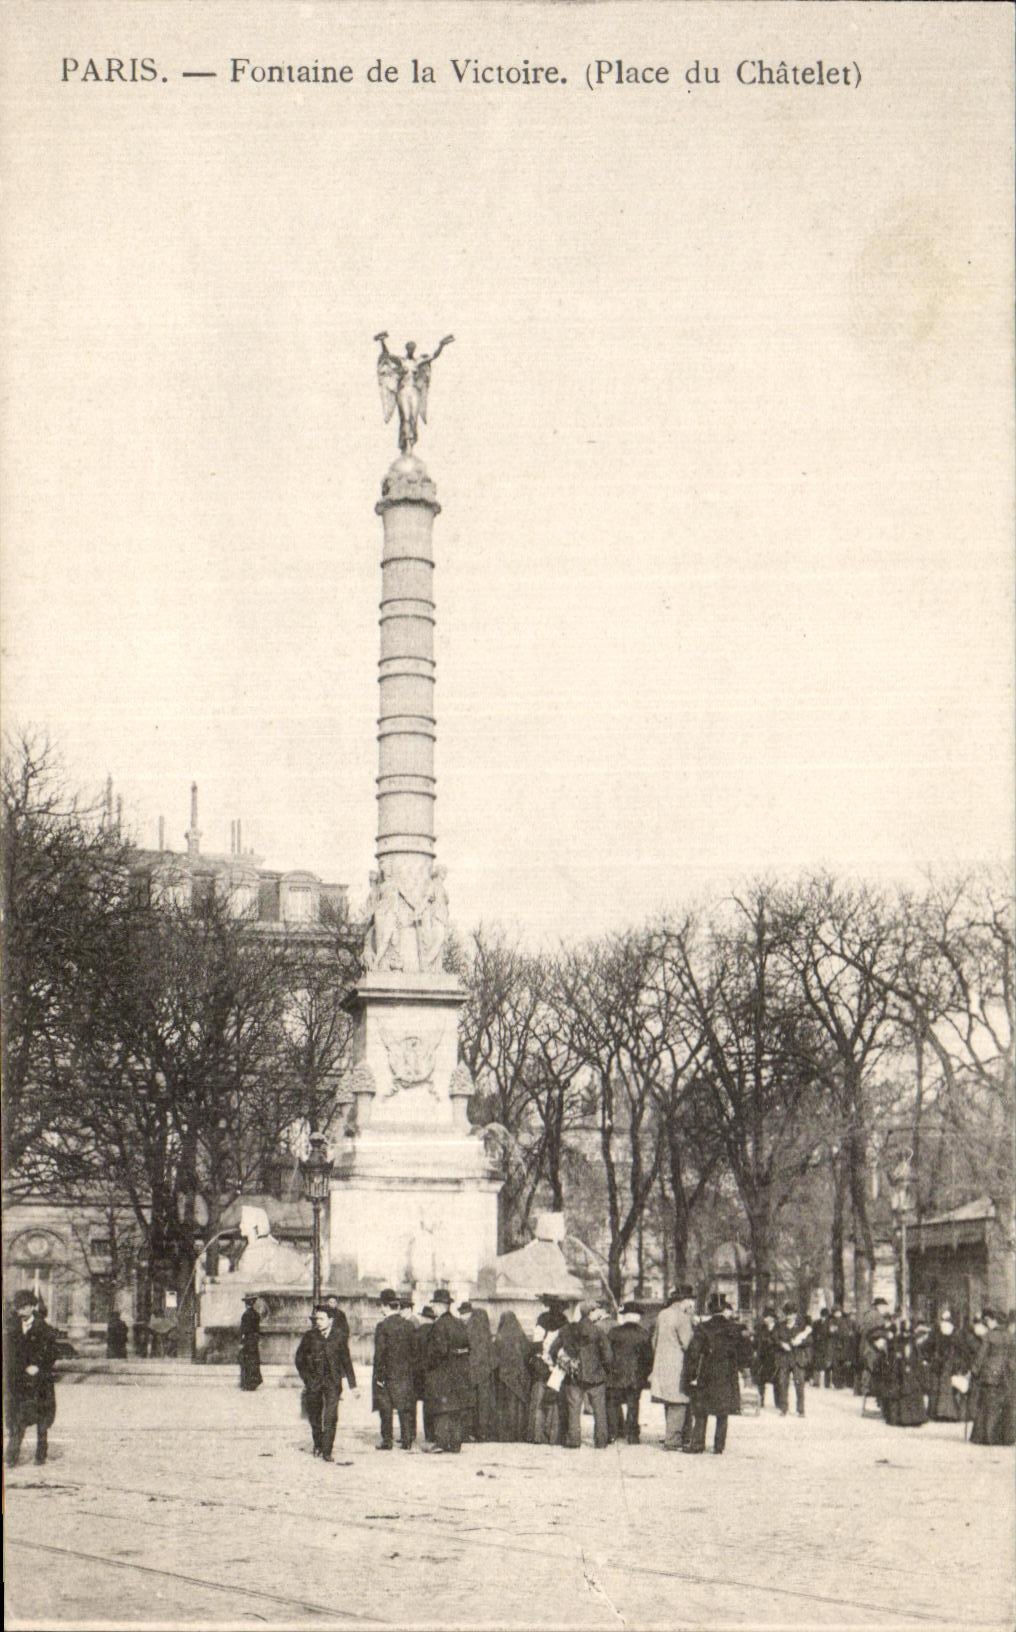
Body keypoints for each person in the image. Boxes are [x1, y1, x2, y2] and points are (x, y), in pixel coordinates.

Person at [682, 1294, 752, 1455]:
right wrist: (743, 1369)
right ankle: (719, 1446)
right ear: (724, 1310)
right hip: (728, 1372)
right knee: (723, 1411)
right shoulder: (735, 1328)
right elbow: (745, 1352)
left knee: (701, 1410)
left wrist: (691, 1374)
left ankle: (698, 1444)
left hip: (708, 1371)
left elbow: (694, 1353)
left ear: (710, 1310)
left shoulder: (703, 1328)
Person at [294, 1304, 357, 1461]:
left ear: (331, 1320)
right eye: (317, 1319)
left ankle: (327, 1450)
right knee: (315, 1416)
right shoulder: (309, 1336)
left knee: (331, 1416)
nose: (318, 1321)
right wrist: (307, 1378)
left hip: (333, 1382)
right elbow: (299, 1359)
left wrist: (353, 1385)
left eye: (322, 1319)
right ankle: (318, 1444)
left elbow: (346, 1361)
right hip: (314, 1382)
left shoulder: (339, 1337)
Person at [550, 1300, 612, 1449]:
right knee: (599, 1410)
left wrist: (562, 1364)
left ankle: (574, 1440)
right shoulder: (598, 1331)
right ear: (590, 1312)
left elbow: (553, 1350)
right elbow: (608, 1356)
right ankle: (601, 1441)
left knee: (574, 1409)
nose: (599, 1313)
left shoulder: (566, 1330)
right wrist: (604, 1369)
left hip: (574, 1376)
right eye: (597, 1310)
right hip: (596, 1377)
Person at [5, 1292, 59, 1467]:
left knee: (42, 1421)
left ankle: (40, 1455)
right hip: (19, 1382)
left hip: (40, 1382)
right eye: (18, 1308)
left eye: (24, 1307)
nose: (21, 1311)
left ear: (31, 1307)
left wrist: (39, 1367)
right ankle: (11, 1457)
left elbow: (53, 1353)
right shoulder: (12, 1329)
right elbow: (9, 1355)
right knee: (17, 1420)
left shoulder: (45, 1329)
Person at [422, 1289, 471, 1453]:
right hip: (459, 1373)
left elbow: (439, 1351)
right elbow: (468, 1347)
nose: (433, 1308)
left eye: (434, 1305)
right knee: (456, 1408)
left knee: (441, 1408)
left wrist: (429, 1365)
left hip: (442, 1373)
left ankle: (441, 1443)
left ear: (440, 1305)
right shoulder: (459, 1323)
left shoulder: (439, 1325)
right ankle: (455, 1444)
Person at [649, 1285, 696, 1450]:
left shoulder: (662, 1314)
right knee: (679, 1402)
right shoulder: (682, 1317)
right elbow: (688, 1343)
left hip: (662, 1365)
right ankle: (673, 1439)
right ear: (686, 1301)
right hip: (678, 1365)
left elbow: (654, 1340)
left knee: (668, 1401)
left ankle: (676, 1435)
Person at [372, 1289, 417, 1450]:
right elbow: (415, 1351)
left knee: (386, 1408)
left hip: (387, 1373)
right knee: (405, 1407)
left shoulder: (382, 1327)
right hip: (405, 1373)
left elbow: (380, 1354)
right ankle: (407, 1439)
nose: (380, 1309)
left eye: (381, 1306)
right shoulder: (409, 1325)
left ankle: (387, 1440)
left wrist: (379, 1375)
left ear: (385, 1306)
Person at [607, 1303, 653, 1445]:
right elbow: (649, 1358)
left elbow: (607, 1355)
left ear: (625, 1316)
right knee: (633, 1405)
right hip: (635, 1376)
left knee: (613, 1404)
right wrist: (644, 1374)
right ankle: (633, 1436)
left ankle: (613, 1433)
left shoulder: (613, 1332)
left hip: (615, 1375)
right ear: (637, 1317)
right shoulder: (644, 1334)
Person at [970, 1308, 1016, 1446]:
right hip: (1006, 1375)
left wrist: (974, 1371)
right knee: (1004, 1405)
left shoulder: (989, 1336)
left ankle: (986, 1437)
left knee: (987, 1404)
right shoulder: (1010, 1336)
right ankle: (1004, 1438)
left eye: (988, 1321)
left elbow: (981, 1356)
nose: (987, 1323)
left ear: (994, 1321)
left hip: (989, 1374)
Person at [458, 1300, 496, 1442]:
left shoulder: (471, 1330)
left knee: (472, 1402)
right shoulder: (485, 1333)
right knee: (483, 1402)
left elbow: (472, 1351)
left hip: (474, 1370)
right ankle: (483, 1432)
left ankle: (471, 1431)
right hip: (484, 1371)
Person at [528, 1306, 566, 1445]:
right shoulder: (564, 1325)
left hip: (540, 1369)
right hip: (556, 1369)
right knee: (554, 1402)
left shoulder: (541, 1323)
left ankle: (536, 1435)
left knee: (538, 1402)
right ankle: (553, 1436)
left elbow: (534, 1348)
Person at [492, 1310, 532, 1441]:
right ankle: (519, 1433)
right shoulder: (520, 1335)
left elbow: (495, 1355)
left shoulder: (500, 1337)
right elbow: (527, 1351)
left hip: (504, 1376)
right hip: (519, 1374)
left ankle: (505, 1434)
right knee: (518, 1404)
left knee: (504, 1405)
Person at [922, 1307, 965, 1422]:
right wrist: (928, 1358)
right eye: (943, 1322)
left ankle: (946, 1413)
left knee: (946, 1389)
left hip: (949, 1366)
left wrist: (959, 1364)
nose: (945, 1325)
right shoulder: (935, 1334)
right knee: (936, 1388)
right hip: (938, 1365)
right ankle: (937, 1413)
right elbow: (925, 1347)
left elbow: (962, 1352)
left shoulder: (956, 1336)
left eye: (947, 1322)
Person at [883, 1322, 927, 1427]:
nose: (907, 1335)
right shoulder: (897, 1344)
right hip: (899, 1374)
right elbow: (893, 1361)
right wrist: (902, 1365)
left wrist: (912, 1367)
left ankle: (914, 1418)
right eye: (905, 1332)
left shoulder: (914, 1345)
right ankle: (901, 1418)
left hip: (912, 1374)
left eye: (909, 1333)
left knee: (913, 1388)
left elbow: (918, 1360)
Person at [774, 1304, 813, 1417]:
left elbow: (810, 1340)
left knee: (799, 1384)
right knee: (782, 1383)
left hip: (797, 1359)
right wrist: (782, 1344)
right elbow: (774, 1338)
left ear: (795, 1314)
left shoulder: (802, 1327)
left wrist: (799, 1342)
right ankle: (783, 1408)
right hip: (784, 1359)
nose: (789, 1317)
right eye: (787, 1314)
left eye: (791, 1314)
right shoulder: (780, 1326)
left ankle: (800, 1410)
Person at [414, 1305, 438, 1445]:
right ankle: (433, 1434)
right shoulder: (437, 1331)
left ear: (423, 1318)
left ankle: (421, 1434)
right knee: (434, 1404)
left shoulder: (417, 1332)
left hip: (419, 1373)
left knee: (422, 1404)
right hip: (434, 1372)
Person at [753, 1309, 779, 1409]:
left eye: (767, 1317)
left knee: (777, 1381)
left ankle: (778, 1403)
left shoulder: (778, 1328)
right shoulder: (760, 1328)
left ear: (772, 1318)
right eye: (764, 1317)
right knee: (760, 1380)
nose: (765, 1319)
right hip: (763, 1359)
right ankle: (761, 1401)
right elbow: (756, 1342)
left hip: (775, 1358)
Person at [239, 1294, 263, 1392]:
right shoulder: (256, 1314)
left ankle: (247, 1383)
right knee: (254, 1361)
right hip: (254, 1340)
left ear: (246, 1304)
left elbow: (243, 1330)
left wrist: (241, 1341)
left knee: (246, 1361)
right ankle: (254, 1382)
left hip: (248, 1341)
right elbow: (257, 1329)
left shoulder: (245, 1315)